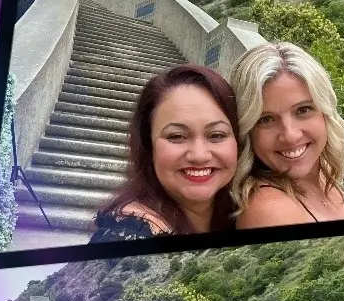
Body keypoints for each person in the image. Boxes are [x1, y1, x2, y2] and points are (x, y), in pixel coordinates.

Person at [229, 42, 344, 296]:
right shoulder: (269, 209)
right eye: (266, 119)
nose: (290, 135)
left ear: (324, 112)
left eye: (303, 110)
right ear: (248, 130)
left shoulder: (325, 179)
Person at [91, 66, 239, 242]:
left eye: (216, 135)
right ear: (148, 144)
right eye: (176, 136)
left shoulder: (244, 216)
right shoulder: (128, 235)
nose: (199, 155)